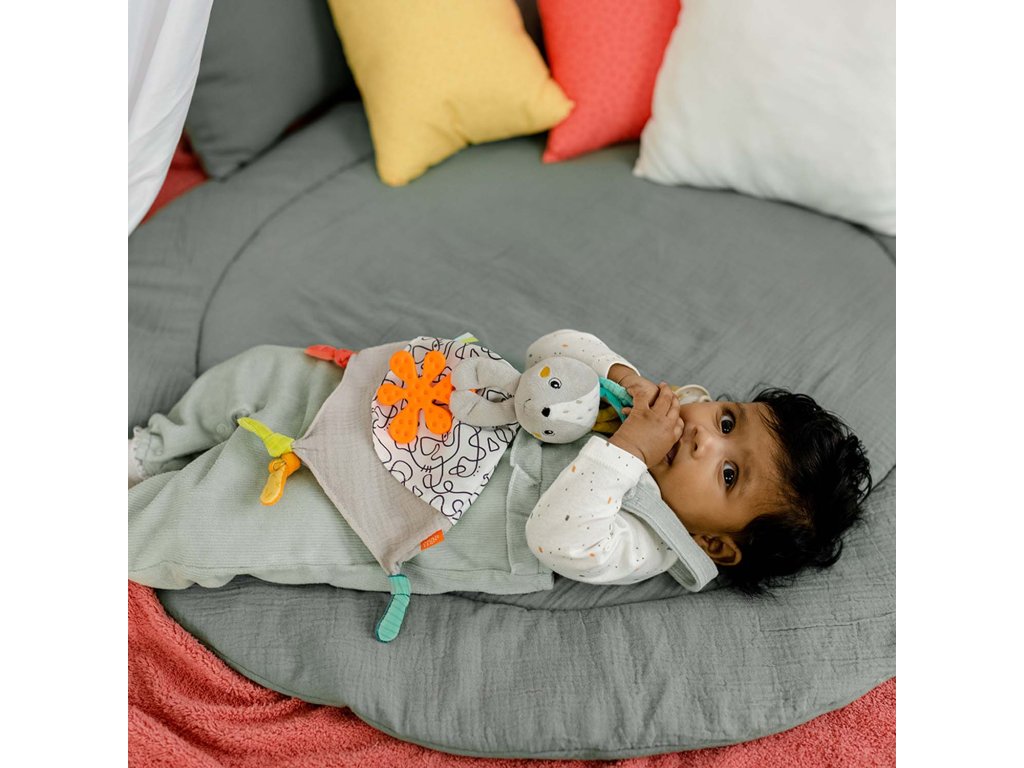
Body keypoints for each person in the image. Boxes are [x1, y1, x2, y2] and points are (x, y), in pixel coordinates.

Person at [129, 330, 871, 595]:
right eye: (729, 421)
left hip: (400, 515)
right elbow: (555, 346)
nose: (707, 439)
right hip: (423, 412)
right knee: (276, 371)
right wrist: (622, 373)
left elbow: (560, 537)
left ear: (716, 542)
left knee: (218, 522)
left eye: (730, 475)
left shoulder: (647, 543)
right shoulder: (645, 406)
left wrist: (625, 454)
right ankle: (150, 449)